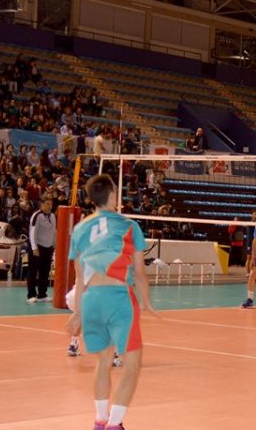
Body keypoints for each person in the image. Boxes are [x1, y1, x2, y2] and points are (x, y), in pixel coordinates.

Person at [66, 174, 156, 430]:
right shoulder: (128, 225)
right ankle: (115, 424)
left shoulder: (80, 227)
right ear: (112, 196)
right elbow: (139, 273)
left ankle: (99, 420)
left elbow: (79, 276)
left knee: (103, 363)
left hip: (91, 299)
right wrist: (146, 300)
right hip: (118, 298)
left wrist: (79, 313)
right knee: (132, 364)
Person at [28, 197, 56, 303]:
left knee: (45, 272)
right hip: (38, 247)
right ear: (42, 204)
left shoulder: (53, 216)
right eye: (47, 204)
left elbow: (53, 231)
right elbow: (32, 232)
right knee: (33, 272)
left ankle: (42, 294)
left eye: (51, 204)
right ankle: (31, 295)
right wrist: (34, 248)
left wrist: (54, 244)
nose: (49, 206)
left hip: (48, 247)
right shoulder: (37, 215)